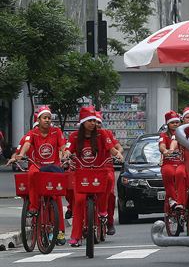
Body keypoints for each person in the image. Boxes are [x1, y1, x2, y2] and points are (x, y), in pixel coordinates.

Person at [8, 106, 70, 245]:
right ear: (38, 120)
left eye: (49, 118)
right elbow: (25, 145)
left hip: (53, 168)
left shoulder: (56, 132)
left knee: (56, 199)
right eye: (44, 118)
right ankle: (34, 207)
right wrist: (20, 156)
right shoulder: (32, 134)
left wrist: (65, 153)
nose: (47, 120)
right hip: (37, 166)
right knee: (32, 174)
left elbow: (62, 146)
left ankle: (59, 231)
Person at [68, 106, 123, 247]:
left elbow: (111, 148)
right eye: (90, 120)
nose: (93, 123)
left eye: (94, 120)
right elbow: (67, 150)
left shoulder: (102, 134)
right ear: (83, 122)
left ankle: (103, 211)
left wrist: (117, 154)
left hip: (99, 171)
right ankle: (75, 236)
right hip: (81, 173)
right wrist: (65, 155)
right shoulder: (74, 136)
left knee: (108, 181)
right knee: (79, 201)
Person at [95, 110, 122, 235]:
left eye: (98, 122)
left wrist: (119, 153)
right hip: (88, 169)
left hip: (106, 167)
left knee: (110, 194)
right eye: (93, 121)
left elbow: (117, 147)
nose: (96, 124)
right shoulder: (81, 135)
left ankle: (109, 222)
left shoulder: (107, 134)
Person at [159, 110, 187, 210]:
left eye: (177, 122)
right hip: (169, 162)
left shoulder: (183, 132)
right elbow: (162, 146)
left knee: (181, 174)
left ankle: (181, 201)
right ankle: (172, 198)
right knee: (168, 173)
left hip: (181, 162)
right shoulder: (164, 135)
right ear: (168, 124)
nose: (175, 124)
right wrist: (166, 151)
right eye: (172, 122)